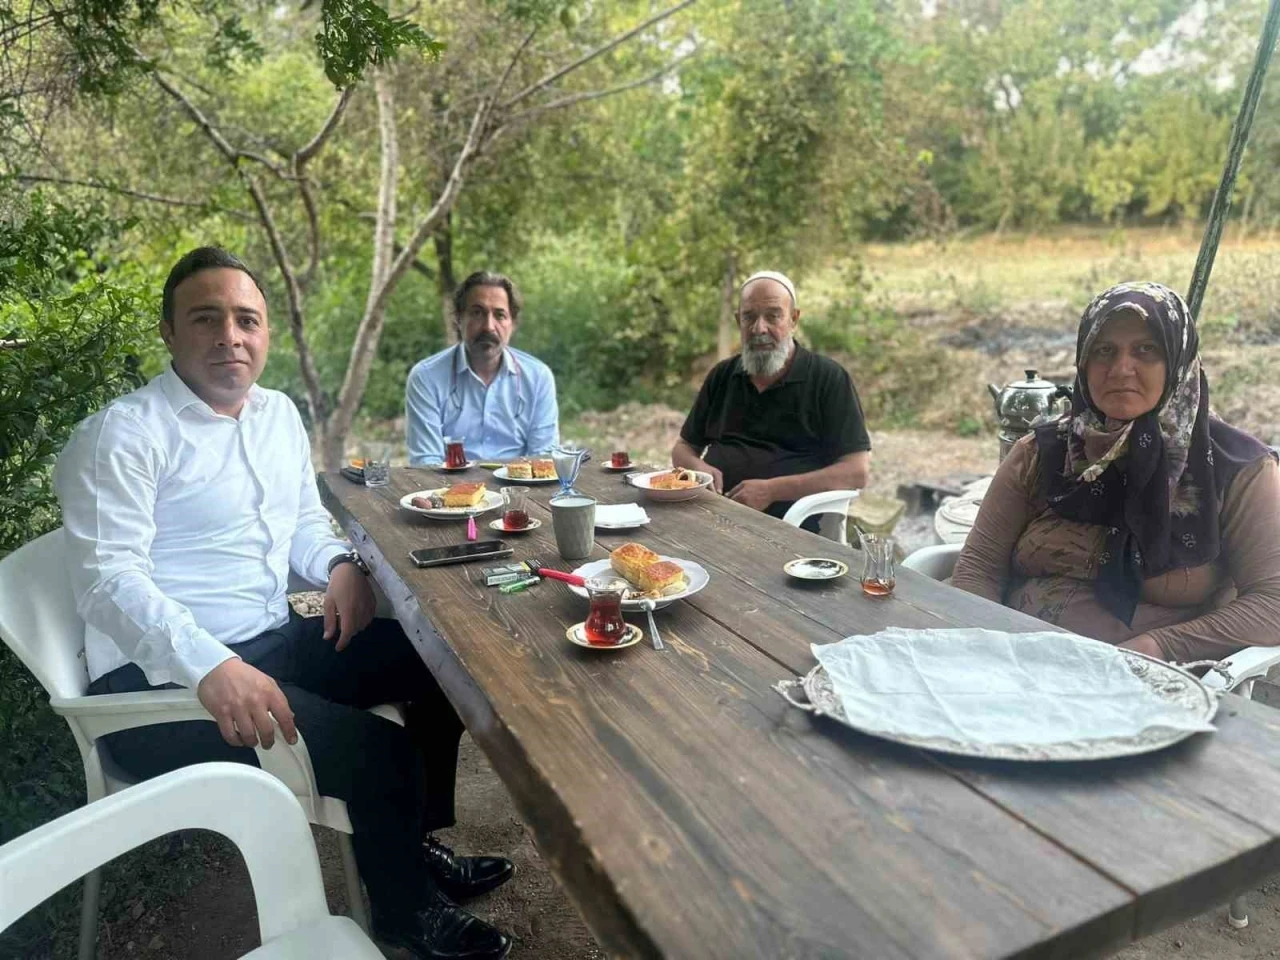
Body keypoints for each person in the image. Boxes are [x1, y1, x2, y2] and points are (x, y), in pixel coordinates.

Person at [54, 247, 514, 960]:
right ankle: (404, 915)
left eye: (247, 320)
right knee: (379, 751)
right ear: (169, 331)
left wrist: (338, 564)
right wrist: (210, 667)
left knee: (439, 663)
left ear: (266, 332)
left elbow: (301, 520)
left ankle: (408, 847)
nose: (229, 337)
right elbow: (107, 580)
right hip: (164, 690)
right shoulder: (124, 434)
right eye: (205, 319)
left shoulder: (276, 415)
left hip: (271, 643)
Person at [952, 280, 1280, 662]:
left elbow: (1272, 603)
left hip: (1151, 678)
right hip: (1011, 661)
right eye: (1104, 350)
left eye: (1146, 350)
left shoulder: (1236, 468)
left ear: (1178, 361)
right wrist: (987, 650)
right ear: (1083, 362)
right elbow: (979, 568)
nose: (1121, 369)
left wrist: (1157, 647)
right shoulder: (1042, 452)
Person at [672, 270, 871, 526]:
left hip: (789, 527)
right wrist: (697, 468)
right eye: (749, 317)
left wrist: (772, 491)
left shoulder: (828, 379)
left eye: (773, 315)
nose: (759, 328)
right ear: (738, 321)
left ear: (793, 319)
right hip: (710, 515)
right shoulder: (723, 375)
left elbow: (856, 472)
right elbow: (683, 448)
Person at [406, 271, 558, 466]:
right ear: (458, 319)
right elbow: (427, 464)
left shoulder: (537, 377)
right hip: (448, 484)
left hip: (517, 482)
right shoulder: (427, 377)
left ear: (512, 323)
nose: (488, 327)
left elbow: (543, 459)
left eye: (500, 315)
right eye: (477, 313)